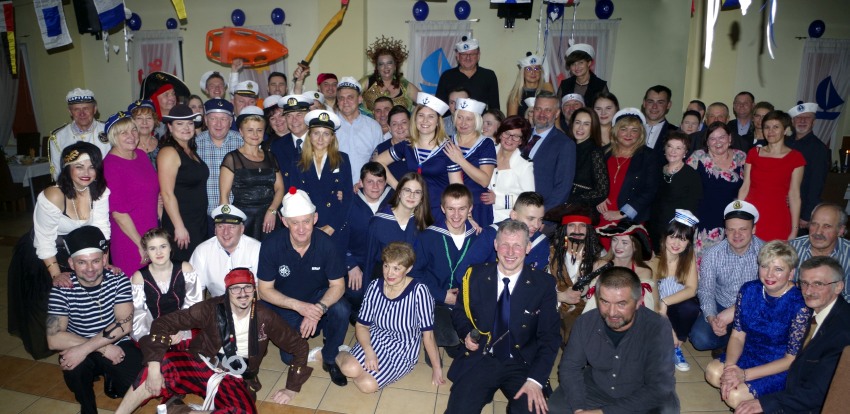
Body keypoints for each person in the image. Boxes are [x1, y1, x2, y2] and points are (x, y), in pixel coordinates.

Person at [114, 268, 313, 414]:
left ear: (255, 291)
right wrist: (154, 367)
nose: (242, 294)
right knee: (159, 365)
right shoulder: (210, 308)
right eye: (236, 289)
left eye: (247, 288)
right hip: (201, 365)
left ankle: (179, 410)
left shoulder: (265, 317)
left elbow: (299, 346)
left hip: (235, 378)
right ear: (227, 292)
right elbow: (162, 323)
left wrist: (292, 387)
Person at [8, 142, 111, 360]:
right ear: (67, 168)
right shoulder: (54, 195)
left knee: (78, 300)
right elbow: (44, 239)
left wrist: (105, 261)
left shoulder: (99, 191)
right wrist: (56, 274)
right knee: (48, 300)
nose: (86, 172)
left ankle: (80, 342)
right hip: (43, 253)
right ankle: (47, 344)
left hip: (75, 252)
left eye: (91, 166)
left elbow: (102, 230)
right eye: (79, 166)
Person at [446, 220, 560, 414]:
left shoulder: (544, 284)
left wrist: (535, 380)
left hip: (522, 360)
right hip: (482, 356)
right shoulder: (475, 275)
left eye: (517, 246)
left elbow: (550, 337)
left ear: (528, 248)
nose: (510, 252)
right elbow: (460, 312)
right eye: (505, 244)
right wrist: (466, 333)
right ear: (495, 245)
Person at [547, 266, 680, 413]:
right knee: (556, 407)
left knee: (667, 410)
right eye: (605, 302)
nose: (611, 312)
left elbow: (659, 387)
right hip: (598, 386)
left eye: (621, 304)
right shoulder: (585, 322)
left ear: (638, 302)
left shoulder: (658, 327)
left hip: (641, 391)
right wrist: (579, 408)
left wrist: (603, 412)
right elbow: (570, 368)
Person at [257, 188, 351, 387]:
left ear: (315, 218)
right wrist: (299, 307)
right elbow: (264, 290)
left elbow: (338, 285)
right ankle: (311, 335)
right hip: (286, 303)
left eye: (306, 221)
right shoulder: (271, 245)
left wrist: (318, 309)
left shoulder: (327, 245)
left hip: (317, 298)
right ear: (284, 221)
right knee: (288, 358)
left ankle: (330, 356)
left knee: (342, 307)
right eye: (295, 223)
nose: (301, 229)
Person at [704, 241, 810, 410]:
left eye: (778, 269)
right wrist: (731, 369)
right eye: (764, 266)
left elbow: (790, 360)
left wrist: (744, 375)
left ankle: (764, 402)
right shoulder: (748, 290)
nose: (769, 274)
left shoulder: (800, 306)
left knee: (735, 396)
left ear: (791, 273)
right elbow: (737, 336)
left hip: (778, 365)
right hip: (750, 352)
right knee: (713, 372)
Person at [736, 256, 850, 414]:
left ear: (838, 287)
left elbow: (819, 392)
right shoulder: (812, 308)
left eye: (818, 284)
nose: (808, 291)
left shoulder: (842, 333)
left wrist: (765, 403)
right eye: (804, 283)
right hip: (793, 385)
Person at [46, 226, 141, 414]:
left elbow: (124, 324)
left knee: (136, 384)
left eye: (95, 261)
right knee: (72, 366)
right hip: (84, 344)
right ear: (71, 263)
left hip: (117, 342)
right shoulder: (61, 288)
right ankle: (87, 409)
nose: (90, 269)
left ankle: (111, 380)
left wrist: (89, 348)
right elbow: (53, 339)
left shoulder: (118, 279)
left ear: (104, 260)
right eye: (82, 262)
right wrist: (102, 348)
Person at [338, 242, 443, 392]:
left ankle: (362, 366)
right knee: (349, 369)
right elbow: (362, 325)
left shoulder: (420, 292)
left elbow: (429, 336)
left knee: (367, 385)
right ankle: (336, 353)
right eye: (386, 266)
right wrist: (368, 350)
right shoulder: (375, 286)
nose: (389, 273)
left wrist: (437, 368)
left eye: (396, 268)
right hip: (375, 339)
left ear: (408, 269)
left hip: (402, 351)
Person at [690, 200, 765, 352]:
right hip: (721, 305)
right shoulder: (712, 254)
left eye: (743, 229)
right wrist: (712, 318)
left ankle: (736, 342)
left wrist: (738, 308)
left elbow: (770, 292)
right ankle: (729, 341)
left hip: (755, 308)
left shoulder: (766, 252)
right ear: (725, 231)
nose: (737, 235)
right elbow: (706, 291)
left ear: (753, 229)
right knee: (699, 338)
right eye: (731, 229)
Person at [374, 92, 462, 220]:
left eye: (431, 116)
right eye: (421, 115)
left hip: (438, 211)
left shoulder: (448, 148)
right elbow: (378, 162)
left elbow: (457, 187)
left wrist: (466, 216)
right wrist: (399, 188)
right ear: (415, 119)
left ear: (438, 121)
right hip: (411, 210)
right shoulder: (407, 145)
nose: (425, 121)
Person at [412, 184, 477, 354]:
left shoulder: (478, 237)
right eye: (451, 209)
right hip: (435, 300)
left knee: (463, 349)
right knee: (449, 339)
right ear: (442, 208)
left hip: (464, 302)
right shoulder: (428, 236)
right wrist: (442, 295)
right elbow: (414, 273)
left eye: (462, 209)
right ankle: (430, 338)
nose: (456, 215)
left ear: (470, 208)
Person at [103, 111, 160, 276]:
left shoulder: (141, 155)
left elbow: (153, 193)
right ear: (113, 137)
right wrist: (140, 244)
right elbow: (118, 213)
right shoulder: (110, 165)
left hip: (151, 230)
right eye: (123, 133)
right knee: (136, 283)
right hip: (130, 238)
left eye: (133, 130)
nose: (131, 136)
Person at [290, 109, 354, 255]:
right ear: (309, 136)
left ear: (332, 138)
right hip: (307, 227)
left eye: (326, 134)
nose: (320, 139)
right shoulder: (298, 161)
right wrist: (308, 226)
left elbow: (348, 197)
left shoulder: (342, 159)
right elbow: (294, 195)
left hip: (335, 226)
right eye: (316, 133)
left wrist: (332, 226)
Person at [219, 106, 285, 241]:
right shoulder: (232, 158)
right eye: (250, 130)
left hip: (269, 218)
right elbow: (224, 196)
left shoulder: (271, 156)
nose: (255, 134)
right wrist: (228, 224)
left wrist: (272, 210)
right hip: (243, 219)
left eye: (259, 130)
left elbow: (280, 188)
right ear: (241, 132)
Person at [738, 110, 805, 241]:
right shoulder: (753, 153)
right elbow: (745, 187)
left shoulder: (796, 158)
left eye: (776, 127)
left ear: (785, 130)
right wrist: (738, 214)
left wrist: (794, 230)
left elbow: (795, 195)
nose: (770, 131)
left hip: (778, 217)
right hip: (752, 214)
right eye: (767, 127)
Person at [129, 228, 200, 345]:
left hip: (184, 328)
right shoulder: (139, 277)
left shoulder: (185, 269)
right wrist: (157, 335)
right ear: (146, 251)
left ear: (170, 247)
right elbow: (138, 314)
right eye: (152, 248)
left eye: (163, 246)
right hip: (152, 332)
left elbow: (193, 303)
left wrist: (181, 329)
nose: (158, 252)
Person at [547, 205, 605, 343]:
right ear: (564, 229)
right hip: (551, 314)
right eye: (572, 225)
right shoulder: (550, 254)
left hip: (585, 320)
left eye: (582, 226)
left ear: (588, 230)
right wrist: (559, 296)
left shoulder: (599, 257)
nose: (577, 231)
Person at [686, 121, 747, 254]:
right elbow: (683, 186)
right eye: (712, 138)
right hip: (704, 222)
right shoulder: (698, 157)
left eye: (722, 137)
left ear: (729, 138)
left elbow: (751, 185)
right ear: (707, 142)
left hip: (734, 222)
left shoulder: (741, 157)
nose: (717, 142)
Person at [158, 104, 209, 262]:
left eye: (190, 123)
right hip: (182, 222)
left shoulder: (190, 150)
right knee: (184, 269)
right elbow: (167, 194)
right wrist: (179, 227)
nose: (186, 128)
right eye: (180, 124)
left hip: (198, 221)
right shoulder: (169, 152)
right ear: (170, 127)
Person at [652, 210, 700, 372]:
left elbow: (692, 289)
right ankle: (669, 341)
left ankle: (676, 346)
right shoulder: (654, 259)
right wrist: (670, 331)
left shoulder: (688, 258)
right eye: (672, 236)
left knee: (691, 307)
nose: (676, 243)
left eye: (683, 239)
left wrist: (665, 302)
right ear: (665, 236)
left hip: (672, 306)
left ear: (688, 243)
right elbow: (654, 300)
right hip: (654, 308)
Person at [364, 172, 431, 288]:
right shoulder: (378, 221)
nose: (412, 196)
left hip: (413, 284)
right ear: (399, 192)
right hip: (384, 282)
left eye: (417, 192)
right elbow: (369, 262)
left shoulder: (423, 224)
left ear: (422, 198)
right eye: (407, 190)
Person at [597, 108, 659, 227]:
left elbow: (651, 190)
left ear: (640, 134)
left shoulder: (649, 156)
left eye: (634, 130)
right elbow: (591, 181)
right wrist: (597, 197)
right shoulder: (602, 153)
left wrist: (623, 213)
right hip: (599, 215)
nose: (628, 134)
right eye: (623, 129)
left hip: (630, 220)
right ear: (615, 131)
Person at [345, 163, 396, 308]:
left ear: (386, 183)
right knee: (356, 294)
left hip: (383, 262)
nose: (375, 186)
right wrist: (350, 264)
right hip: (358, 261)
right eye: (370, 181)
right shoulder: (349, 202)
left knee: (385, 294)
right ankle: (356, 313)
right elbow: (338, 239)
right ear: (360, 183)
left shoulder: (394, 200)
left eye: (380, 181)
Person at [583, 220, 659, 314]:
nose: (618, 246)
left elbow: (654, 305)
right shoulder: (601, 266)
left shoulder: (644, 272)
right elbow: (591, 300)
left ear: (635, 246)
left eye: (624, 242)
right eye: (615, 240)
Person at [466, 191, 550, 272]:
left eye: (540, 219)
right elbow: (467, 268)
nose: (536, 225)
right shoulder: (491, 234)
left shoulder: (541, 242)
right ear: (514, 215)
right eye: (530, 218)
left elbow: (540, 278)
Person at [189, 204, 261, 297]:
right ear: (215, 230)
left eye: (232, 227)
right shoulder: (202, 251)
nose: (226, 232)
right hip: (216, 303)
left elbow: (261, 289)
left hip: (249, 302)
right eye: (220, 227)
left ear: (242, 229)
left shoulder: (256, 249)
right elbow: (195, 292)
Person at [446, 97, 496, 227]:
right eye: (460, 117)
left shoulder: (485, 143)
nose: (463, 123)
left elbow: (484, 180)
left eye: (469, 119)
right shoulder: (447, 141)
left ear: (477, 121)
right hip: (451, 205)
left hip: (477, 206)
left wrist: (460, 160)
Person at [649, 131, 703, 252]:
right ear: (665, 149)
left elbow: (693, 205)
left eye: (678, 148)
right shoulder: (657, 169)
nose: (673, 151)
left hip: (676, 231)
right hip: (654, 227)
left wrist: (678, 230)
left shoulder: (691, 175)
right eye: (670, 146)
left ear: (685, 152)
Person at [524, 91, 576, 212]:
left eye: (547, 110)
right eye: (538, 109)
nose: (542, 114)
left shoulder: (565, 144)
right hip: (511, 207)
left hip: (540, 213)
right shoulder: (521, 135)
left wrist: (542, 213)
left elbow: (563, 188)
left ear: (557, 113)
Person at [196, 98, 244, 227]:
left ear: (231, 121)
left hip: (237, 215)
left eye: (223, 119)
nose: (218, 124)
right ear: (206, 120)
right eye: (213, 118)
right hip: (203, 218)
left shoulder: (243, 142)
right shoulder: (194, 145)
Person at [789, 203, 850, 300]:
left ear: (840, 230)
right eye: (814, 224)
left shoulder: (848, 254)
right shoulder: (791, 248)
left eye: (827, 226)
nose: (818, 232)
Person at [786, 102, 830, 234]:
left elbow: (816, 184)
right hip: (780, 206)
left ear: (814, 122)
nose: (802, 121)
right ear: (792, 122)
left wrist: (806, 215)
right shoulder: (784, 143)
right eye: (798, 118)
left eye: (807, 117)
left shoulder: (819, 149)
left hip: (801, 210)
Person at [482, 115, 535, 223]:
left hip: (507, 220)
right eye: (507, 133)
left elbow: (529, 199)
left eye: (516, 136)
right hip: (481, 213)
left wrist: (498, 200)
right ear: (500, 134)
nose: (510, 139)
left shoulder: (525, 165)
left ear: (521, 141)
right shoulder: (487, 152)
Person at [48, 88, 109, 179]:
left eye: (86, 108)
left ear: (95, 109)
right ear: (70, 112)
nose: (82, 113)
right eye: (76, 109)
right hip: (73, 187)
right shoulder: (58, 137)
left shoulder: (109, 130)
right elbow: (58, 172)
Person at [335, 77, 384, 185]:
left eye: (350, 97)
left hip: (365, 188)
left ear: (360, 99)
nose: (345, 102)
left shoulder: (373, 127)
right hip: (335, 188)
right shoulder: (330, 126)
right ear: (337, 101)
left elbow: (378, 162)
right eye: (341, 98)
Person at [436, 36, 500, 111]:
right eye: (464, 54)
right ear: (458, 56)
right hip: (453, 118)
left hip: (480, 118)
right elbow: (439, 107)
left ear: (478, 55)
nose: (468, 58)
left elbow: (495, 108)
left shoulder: (488, 75)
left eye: (472, 54)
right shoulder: (447, 76)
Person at [360, 36, 419, 112]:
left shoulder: (405, 86)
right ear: (377, 67)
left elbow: (427, 102)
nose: (386, 67)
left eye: (389, 63)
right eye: (381, 64)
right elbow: (350, 92)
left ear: (395, 66)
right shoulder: (368, 81)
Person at [568, 107, 609, 209]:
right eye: (578, 122)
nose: (580, 127)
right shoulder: (566, 147)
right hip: (560, 202)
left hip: (580, 208)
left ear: (593, 127)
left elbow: (602, 191)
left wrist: (574, 200)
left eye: (586, 124)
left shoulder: (595, 152)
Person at [270, 93, 312, 182]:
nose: (294, 120)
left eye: (299, 115)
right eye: (289, 116)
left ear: (308, 116)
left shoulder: (320, 142)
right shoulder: (277, 146)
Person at [557, 42, 608, 116]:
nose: (576, 67)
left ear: (589, 63)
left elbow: (604, 110)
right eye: (573, 64)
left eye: (581, 63)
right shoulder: (565, 84)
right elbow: (558, 109)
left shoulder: (600, 85)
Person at [506, 52, 554, 117]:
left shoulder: (547, 88)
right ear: (522, 72)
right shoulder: (516, 95)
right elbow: (511, 121)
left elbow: (554, 113)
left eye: (536, 68)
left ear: (541, 72)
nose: (533, 72)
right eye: (528, 69)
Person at [372, 105, 410, 181]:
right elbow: (370, 174)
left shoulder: (419, 146)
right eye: (394, 124)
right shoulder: (381, 149)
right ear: (389, 128)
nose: (400, 127)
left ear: (411, 124)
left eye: (404, 122)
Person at [641, 85, 679, 158]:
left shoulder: (676, 133)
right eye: (650, 101)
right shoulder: (631, 130)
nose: (654, 106)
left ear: (668, 105)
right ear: (644, 103)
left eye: (660, 102)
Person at [127, 99, 160, 166]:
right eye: (139, 118)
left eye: (149, 118)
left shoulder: (163, 144)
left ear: (154, 120)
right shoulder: (127, 148)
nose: (144, 122)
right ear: (132, 121)